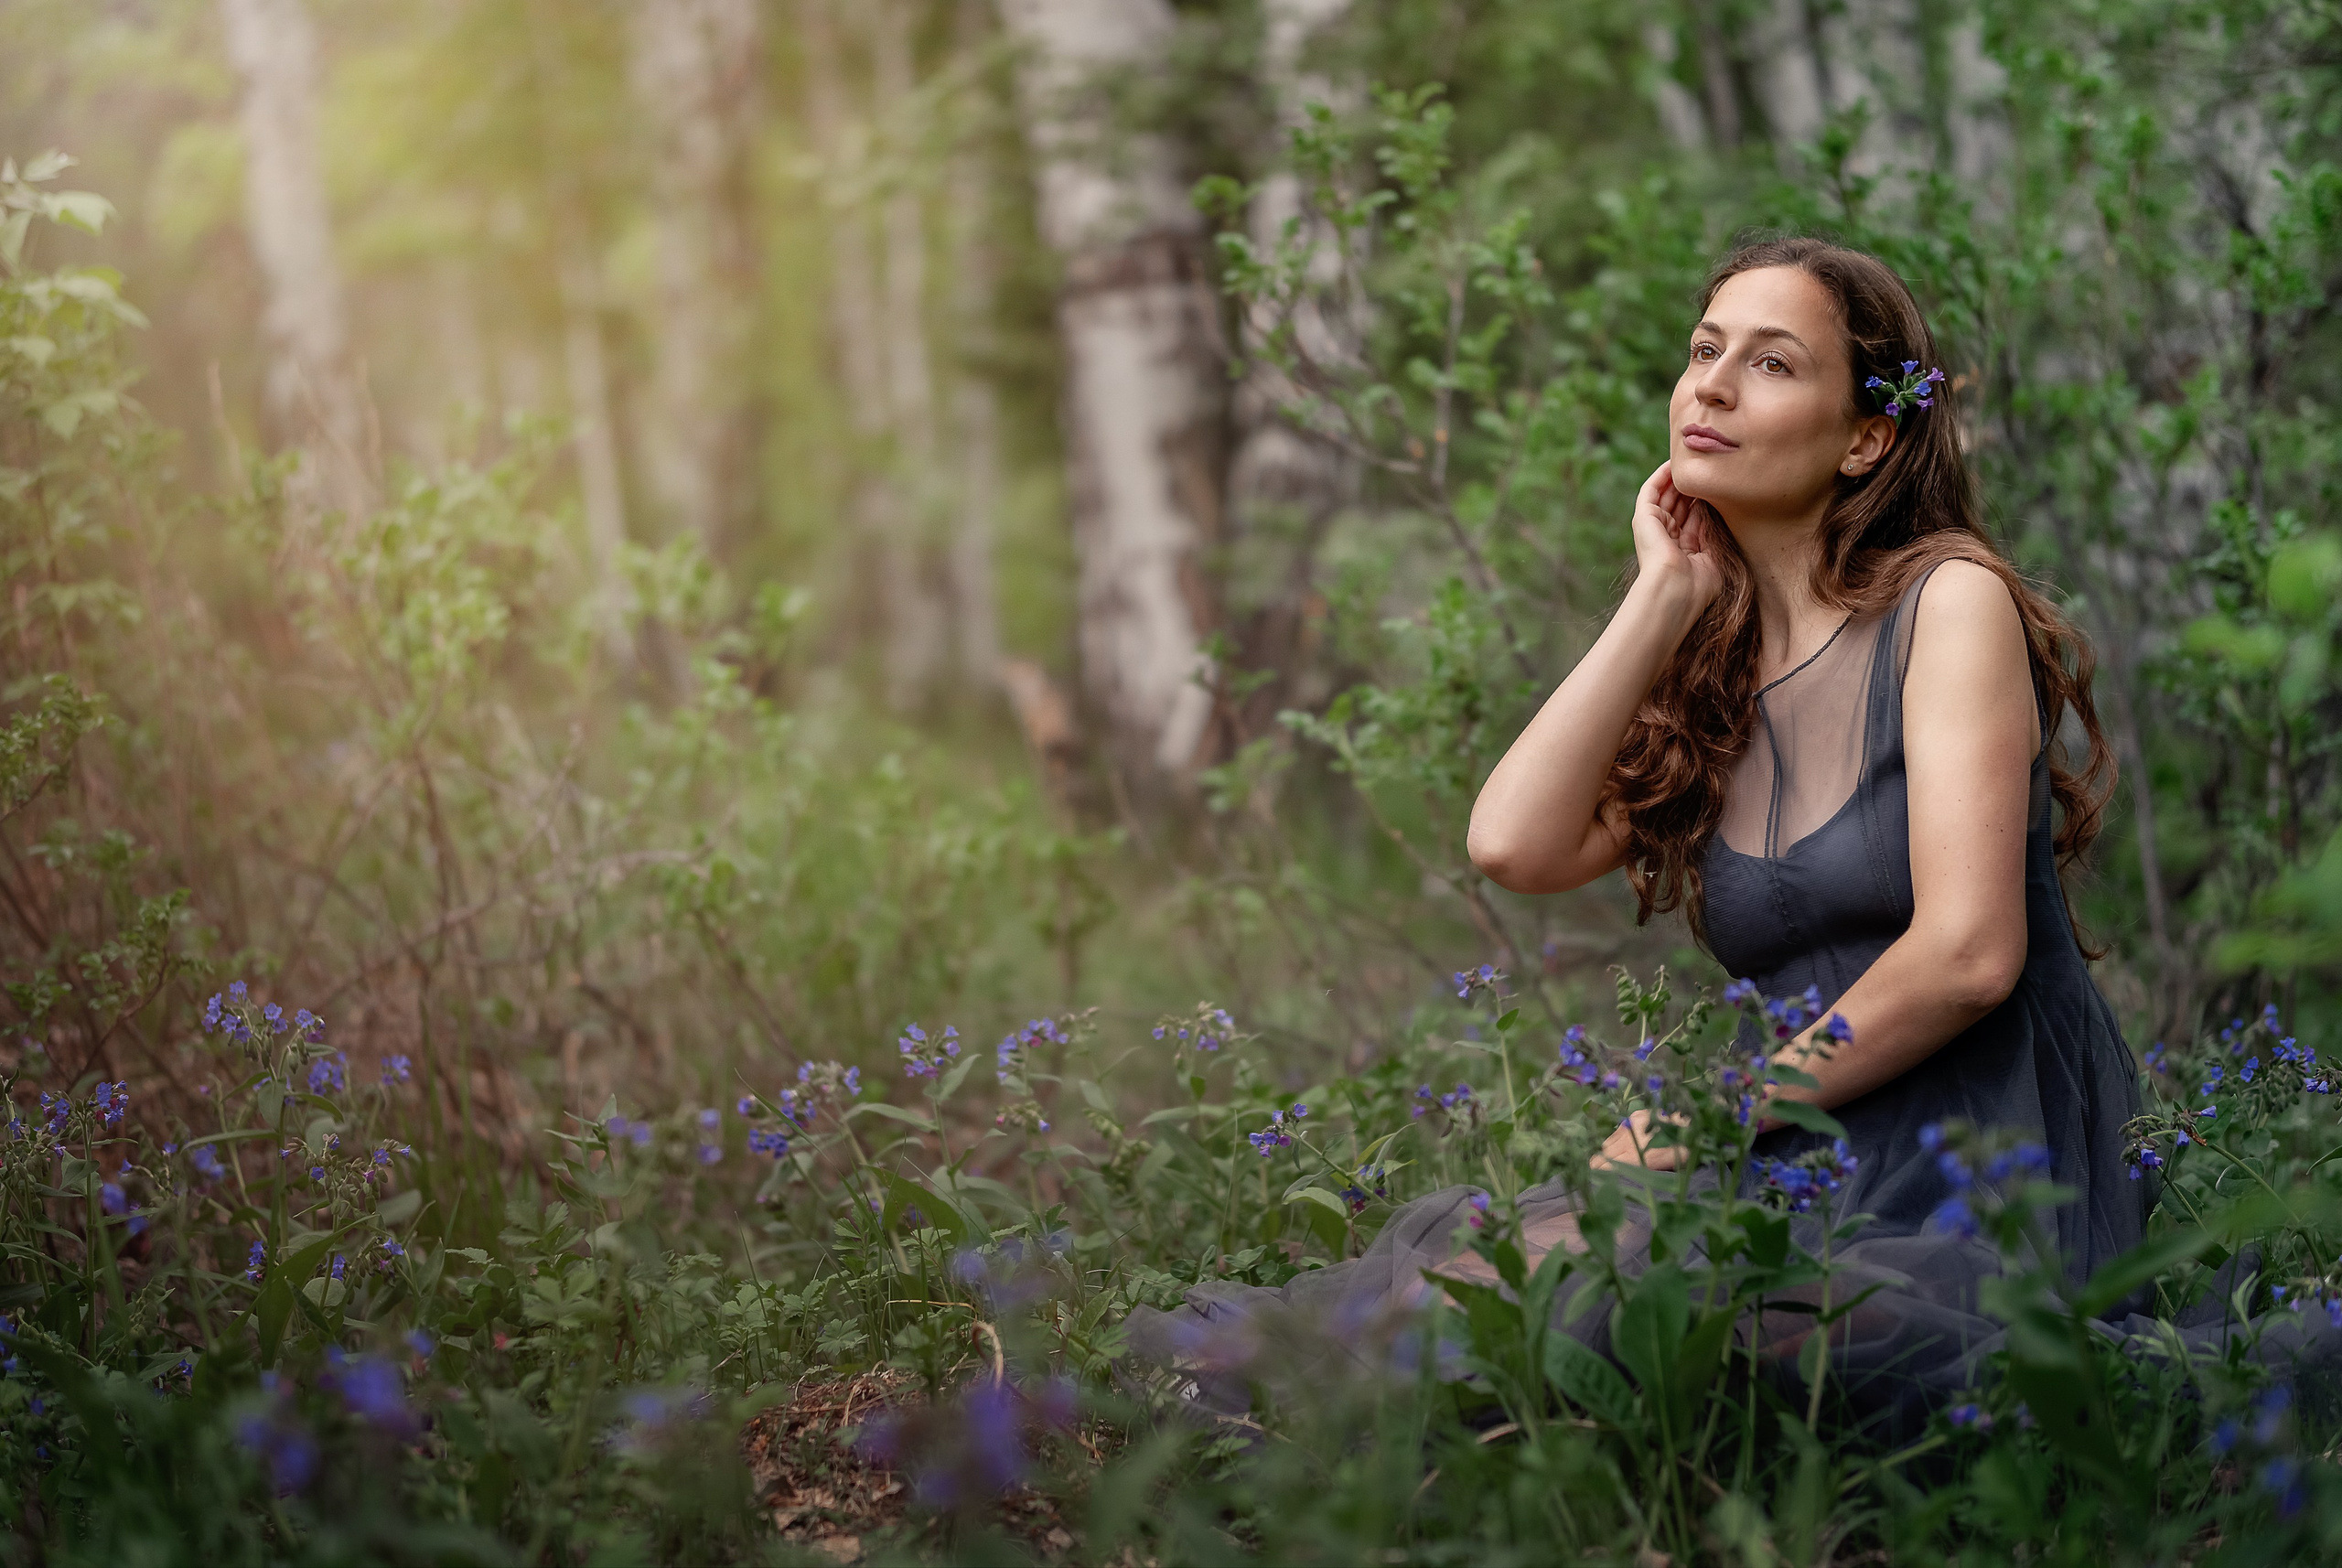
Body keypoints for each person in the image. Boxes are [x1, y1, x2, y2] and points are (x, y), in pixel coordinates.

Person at [1124, 237, 2243, 1438]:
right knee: (1510, 1276)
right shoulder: (1716, 661)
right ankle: (1250, 1408)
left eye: (1771, 363)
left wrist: (1703, 1114)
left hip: (1971, 1164)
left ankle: (1308, 1425)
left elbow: (1969, 955)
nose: (1710, 383)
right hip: (1795, 1148)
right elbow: (1511, 843)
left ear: (1867, 438)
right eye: (1705, 349)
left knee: (1614, 1317)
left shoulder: (1947, 603)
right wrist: (1659, 596)